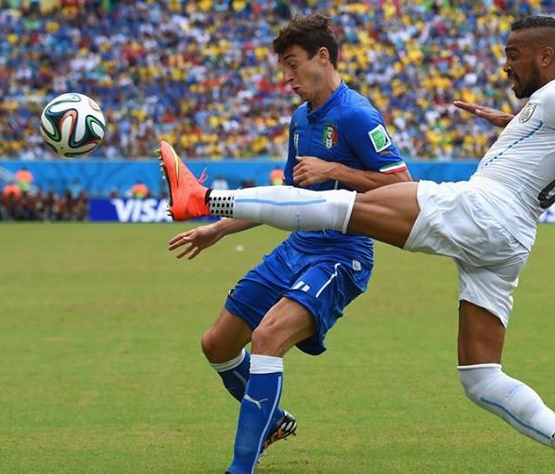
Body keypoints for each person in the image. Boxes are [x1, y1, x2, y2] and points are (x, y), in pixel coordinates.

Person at [161, 16, 555, 474]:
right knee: (480, 376)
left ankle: (201, 197)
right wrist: (512, 122)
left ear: (546, 55)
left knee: (338, 209)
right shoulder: (545, 104)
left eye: (513, 55)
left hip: (486, 210)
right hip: (510, 241)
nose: (505, 65)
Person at [164, 13, 411, 474]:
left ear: (323, 56)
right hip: (297, 247)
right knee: (217, 345)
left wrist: (334, 171)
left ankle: (240, 468)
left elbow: (403, 185)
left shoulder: (356, 114)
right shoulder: (300, 119)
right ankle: (272, 421)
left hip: (342, 254)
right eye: (283, 67)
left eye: (293, 65)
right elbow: (285, 198)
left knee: (268, 338)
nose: (287, 78)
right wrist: (217, 228)